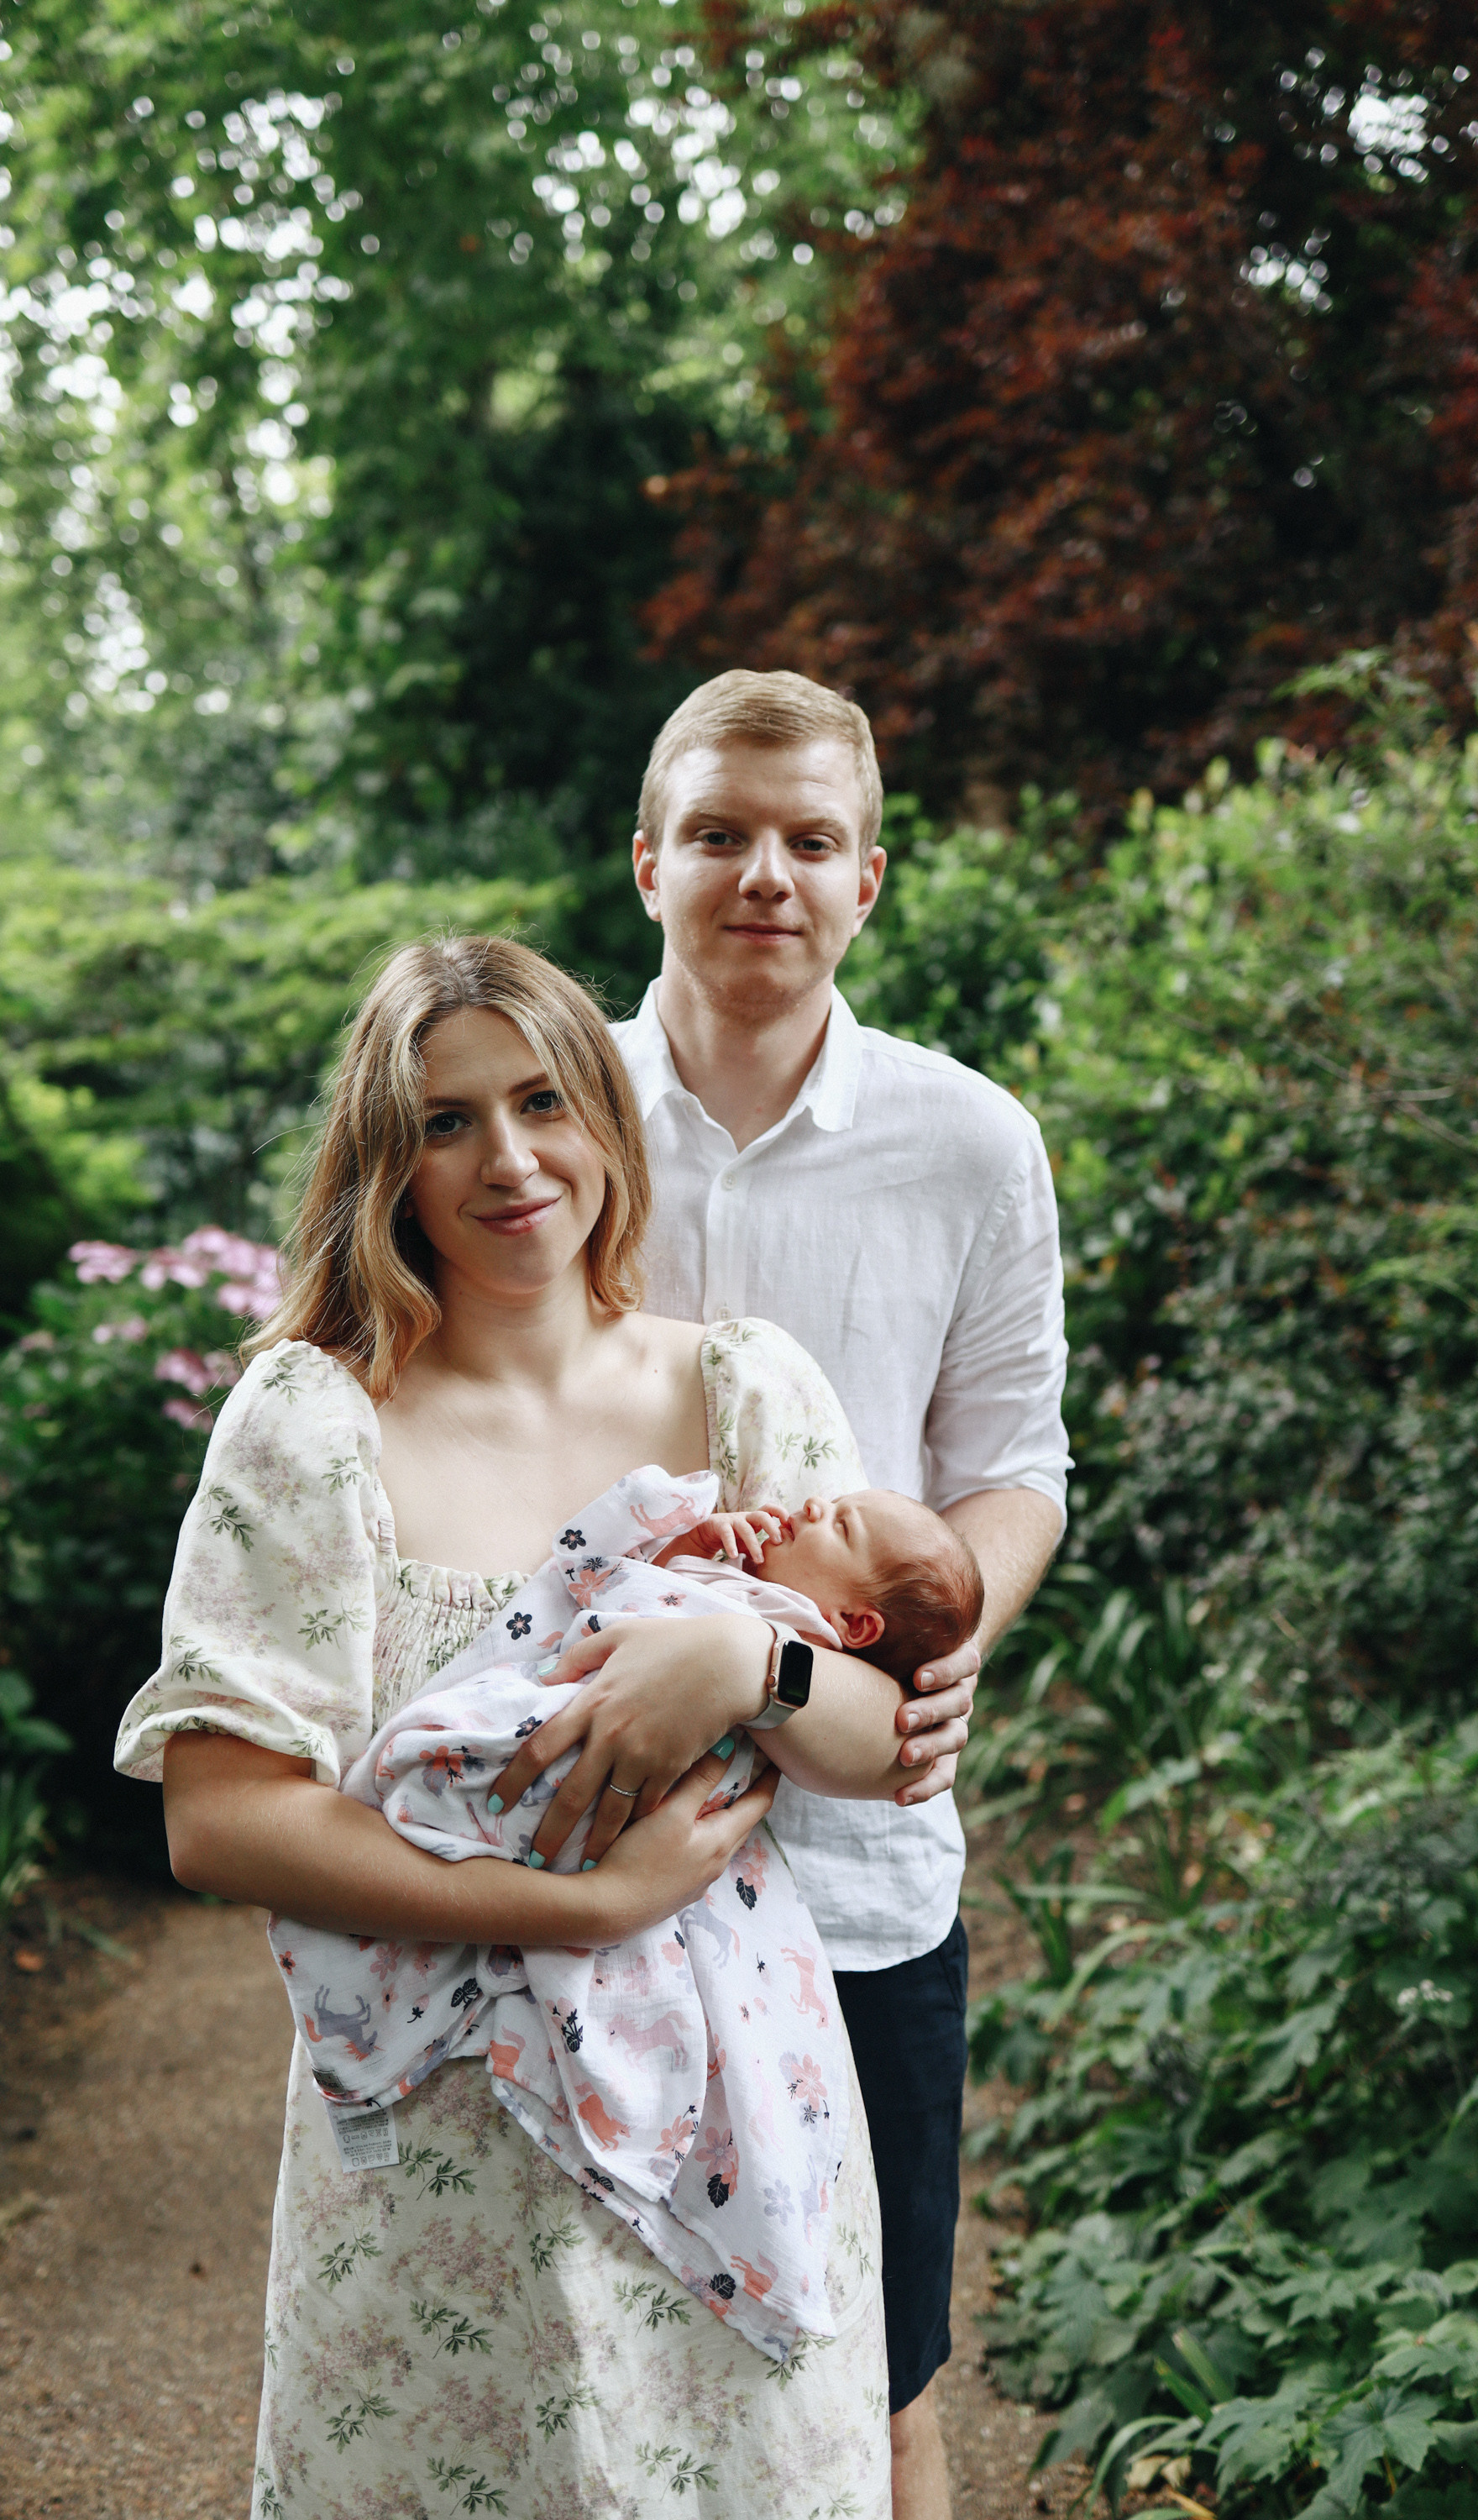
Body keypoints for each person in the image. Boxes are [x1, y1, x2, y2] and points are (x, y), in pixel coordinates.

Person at [116, 934, 942, 2516]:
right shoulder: (315, 1420)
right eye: (445, 1121)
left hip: (729, 2116)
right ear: (388, 1164)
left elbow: (881, 1743)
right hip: (445, 2165)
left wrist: (738, 1665)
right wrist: (588, 1905)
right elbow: (220, 1819)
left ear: (608, 1126)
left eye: (544, 1101)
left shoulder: (740, 1389)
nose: (509, 1159)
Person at [505, 671, 1071, 2520]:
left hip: (854, 1868)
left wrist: (946, 1623)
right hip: (579, 1835)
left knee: (878, 2391)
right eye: (726, 835)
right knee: (577, 2392)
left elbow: (1015, 1465)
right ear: (647, 858)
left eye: (809, 840)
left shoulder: (970, 1141)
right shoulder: (533, 1125)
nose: (768, 874)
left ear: (868, 880)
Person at [260, 1471, 983, 2370]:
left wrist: (737, 1659)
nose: (805, 1507)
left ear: (857, 1625)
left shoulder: (793, 1632)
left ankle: (460, 1800)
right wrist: (699, 1545)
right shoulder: (742, 1564)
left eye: (834, 1523)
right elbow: (628, 1586)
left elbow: (885, 1744)